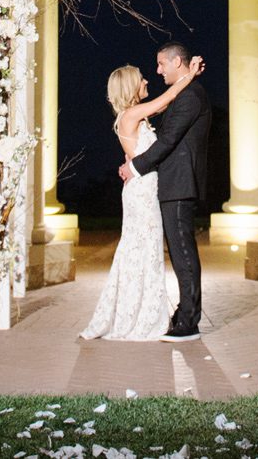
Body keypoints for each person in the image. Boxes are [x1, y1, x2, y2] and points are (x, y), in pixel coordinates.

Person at [78, 53, 205, 341]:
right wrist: (190, 73)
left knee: (143, 251)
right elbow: (168, 98)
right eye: (142, 79)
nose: (149, 79)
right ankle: (140, 316)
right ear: (132, 87)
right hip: (142, 193)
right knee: (141, 251)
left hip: (145, 188)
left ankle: (141, 311)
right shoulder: (132, 114)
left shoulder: (135, 116)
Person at [120, 42, 214, 341]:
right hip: (173, 182)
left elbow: (169, 140)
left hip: (179, 183)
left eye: (162, 64)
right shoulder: (185, 93)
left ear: (177, 62)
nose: (158, 70)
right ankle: (184, 313)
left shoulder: (189, 96)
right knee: (178, 251)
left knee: (183, 252)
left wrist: (135, 167)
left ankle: (189, 322)